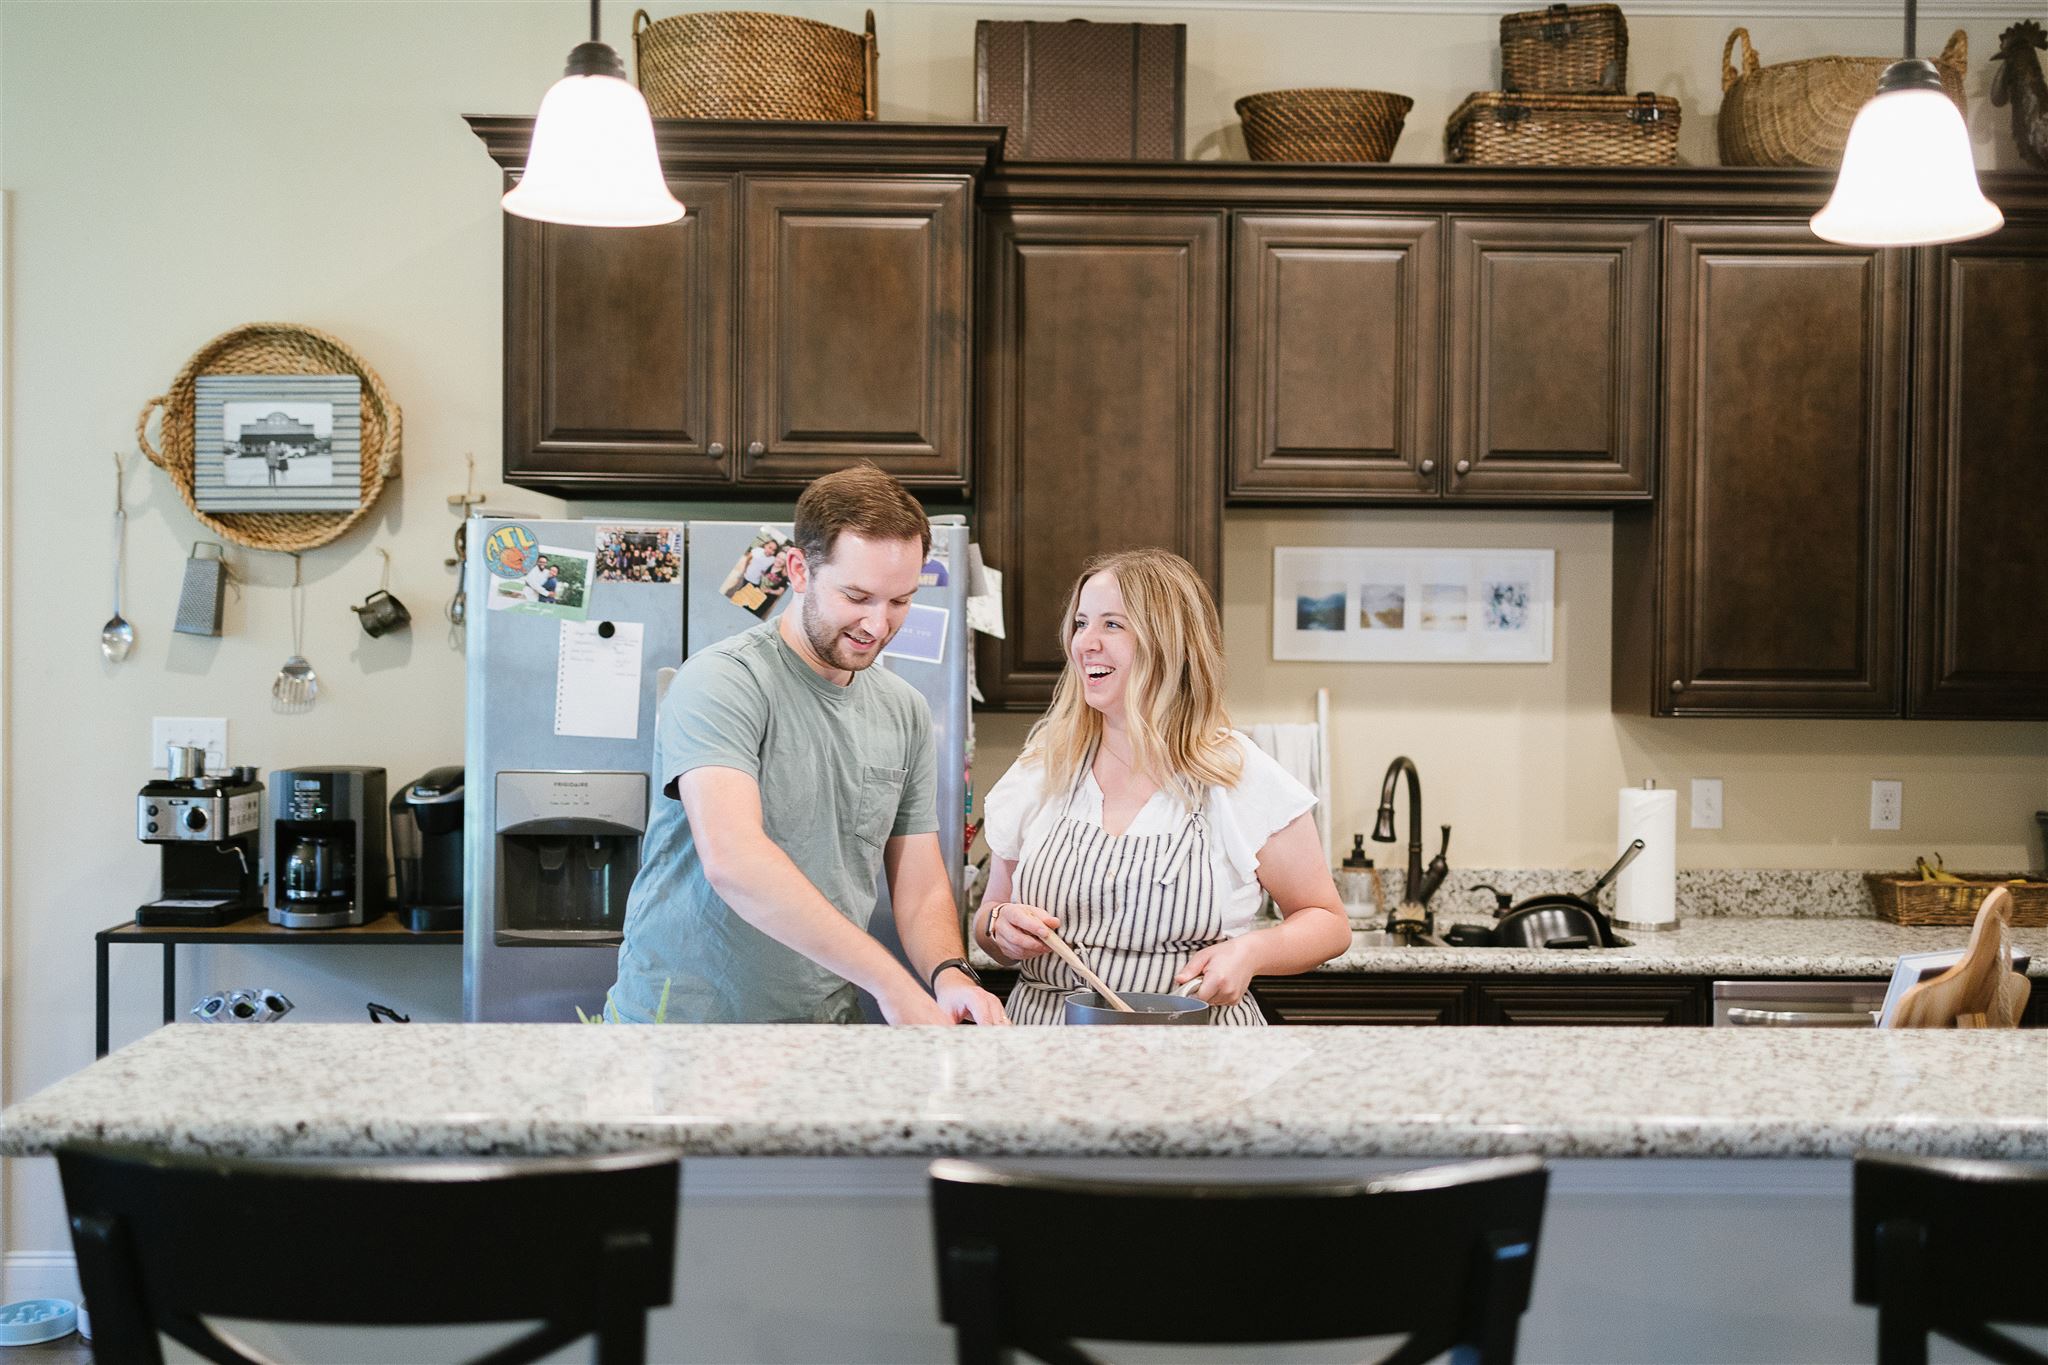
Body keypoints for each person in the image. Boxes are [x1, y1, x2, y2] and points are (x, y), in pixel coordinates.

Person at [608, 464, 1008, 1026]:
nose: (878, 623)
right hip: (683, 1029)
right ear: (798, 570)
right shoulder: (723, 682)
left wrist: (949, 973)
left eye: (900, 601)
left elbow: (917, 887)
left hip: (822, 1028)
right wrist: (891, 983)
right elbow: (736, 862)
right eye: (857, 596)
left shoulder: (904, 710)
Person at [975, 549, 1350, 1025]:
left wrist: (1253, 951)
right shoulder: (1043, 768)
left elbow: (1328, 921)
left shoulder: (1235, 773)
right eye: (1081, 623)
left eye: (1112, 625)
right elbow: (991, 915)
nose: (1084, 643)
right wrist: (997, 926)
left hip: (1195, 1050)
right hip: (1051, 1051)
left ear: (1169, 643)